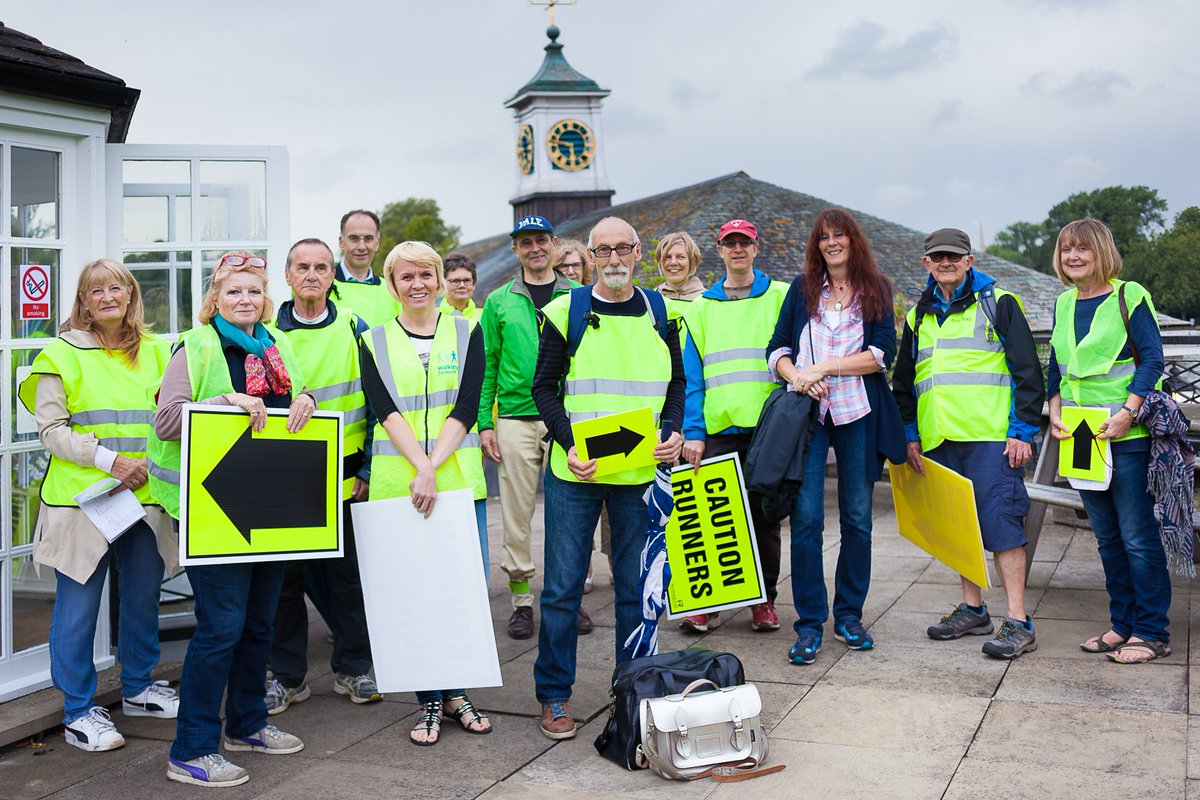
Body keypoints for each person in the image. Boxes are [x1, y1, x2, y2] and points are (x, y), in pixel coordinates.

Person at [150, 253, 317, 787]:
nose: (245, 300)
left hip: (272, 507)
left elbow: (297, 396)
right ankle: (191, 749)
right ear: (214, 301)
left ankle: (247, 724)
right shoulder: (194, 346)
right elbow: (168, 420)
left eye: (253, 292)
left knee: (259, 624)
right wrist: (224, 400)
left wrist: (308, 399)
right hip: (213, 509)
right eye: (233, 292)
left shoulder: (277, 344)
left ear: (264, 298)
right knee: (220, 627)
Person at [530, 216, 685, 740]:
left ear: (638, 252)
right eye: (604, 251)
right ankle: (553, 696)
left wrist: (672, 430)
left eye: (623, 249)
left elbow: (677, 385)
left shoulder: (663, 313)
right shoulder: (563, 311)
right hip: (576, 472)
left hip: (641, 474)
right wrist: (570, 442)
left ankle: (634, 690)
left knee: (638, 588)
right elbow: (544, 389)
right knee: (561, 589)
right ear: (591, 257)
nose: (614, 258)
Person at [18, 259, 176, 752]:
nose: (108, 297)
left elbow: (174, 415)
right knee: (78, 610)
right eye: (96, 291)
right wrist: (111, 460)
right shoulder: (60, 353)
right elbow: (51, 431)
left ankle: (138, 688)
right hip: (81, 503)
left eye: (117, 288)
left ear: (132, 295)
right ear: (83, 302)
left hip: (144, 497)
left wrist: (147, 465)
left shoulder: (160, 350)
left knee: (143, 599)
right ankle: (78, 711)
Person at [359, 240, 493, 745]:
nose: (417, 284)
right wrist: (420, 468)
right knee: (413, 596)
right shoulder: (372, 339)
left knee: (459, 591)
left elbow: (466, 405)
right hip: (401, 486)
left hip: (456, 483)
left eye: (425, 275)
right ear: (392, 286)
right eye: (405, 277)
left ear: (439, 280)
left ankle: (457, 693)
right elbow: (385, 410)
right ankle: (428, 702)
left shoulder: (467, 330)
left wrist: (433, 467)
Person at [893, 228, 1045, 660]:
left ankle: (1018, 621)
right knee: (958, 528)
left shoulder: (999, 304)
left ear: (969, 260)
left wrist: (1020, 430)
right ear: (926, 263)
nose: (946, 263)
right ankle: (974, 609)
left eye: (953, 257)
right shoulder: (918, 315)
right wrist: (910, 434)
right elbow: (905, 383)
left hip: (990, 438)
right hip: (939, 438)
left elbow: (1028, 374)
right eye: (937, 257)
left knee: (1002, 526)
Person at [767, 209, 907, 664]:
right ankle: (808, 624)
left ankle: (849, 615)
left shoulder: (876, 289)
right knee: (806, 522)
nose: (831, 242)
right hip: (809, 416)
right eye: (824, 237)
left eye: (839, 235)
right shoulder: (802, 288)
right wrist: (800, 377)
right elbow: (777, 351)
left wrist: (826, 367)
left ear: (853, 240)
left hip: (858, 413)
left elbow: (881, 354)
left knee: (858, 520)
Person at [1046, 218, 1172, 664]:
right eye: (1066, 250)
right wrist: (1055, 409)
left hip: (1125, 433)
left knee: (1138, 536)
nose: (1073, 257)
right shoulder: (1063, 303)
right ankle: (1123, 624)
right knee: (1106, 537)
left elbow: (1153, 358)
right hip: (1080, 434)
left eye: (1082, 249)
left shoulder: (1128, 296)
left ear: (1102, 251)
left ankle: (1152, 631)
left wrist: (1128, 413)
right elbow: (1057, 364)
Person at [266, 238, 380, 714]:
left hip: (346, 475)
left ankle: (354, 670)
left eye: (320, 267)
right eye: (301, 267)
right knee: (285, 583)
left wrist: (369, 467)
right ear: (287, 276)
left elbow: (378, 402)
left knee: (347, 580)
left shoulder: (356, 327)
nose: (311, 275)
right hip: (287, 477)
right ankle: (288, 678)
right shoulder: (267, 334)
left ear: (332, 276)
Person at [479, 215, 592, 639]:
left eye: (541, 240)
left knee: (570, 514)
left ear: (554, 244)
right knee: (516, 515)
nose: (535, 248)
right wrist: (484, 423)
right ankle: (521, 601)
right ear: (516, 249)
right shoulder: (499, 301)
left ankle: (568, 599)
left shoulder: (579, 295)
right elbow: (488, 362)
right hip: (514, 417)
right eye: (525, 242)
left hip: (568, 418)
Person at [680, 220, 788, 634]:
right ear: (720, 251)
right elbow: (693, 378)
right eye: (730, 244)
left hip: (769, 428)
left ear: (756, 248)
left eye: (744, 243)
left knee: (765, 518)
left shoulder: (779, 296)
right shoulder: (700, 308)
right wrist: (694, 432)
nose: (738, 249)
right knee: (716, 518)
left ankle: (764, 601)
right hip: (719, 429)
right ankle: (708, 605)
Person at [332, 209, 401, 327]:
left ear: (377, 243)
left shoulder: (392, 289)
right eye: (354, 238)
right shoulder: (322, 286)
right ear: (341, 242)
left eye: (368, 239)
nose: (361, 246)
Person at [655, 231, 706, 316]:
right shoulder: (650, 300)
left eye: (680, 257)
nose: (673, 262)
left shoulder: (707, 301)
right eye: (667, 257)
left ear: (692, 261)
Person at [439, 252, 483, 321]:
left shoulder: (485, 317)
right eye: (455, 281)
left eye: (467, 280)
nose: (462, 285)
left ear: (474, 284)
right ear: (443, 285)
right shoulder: (431, 318)